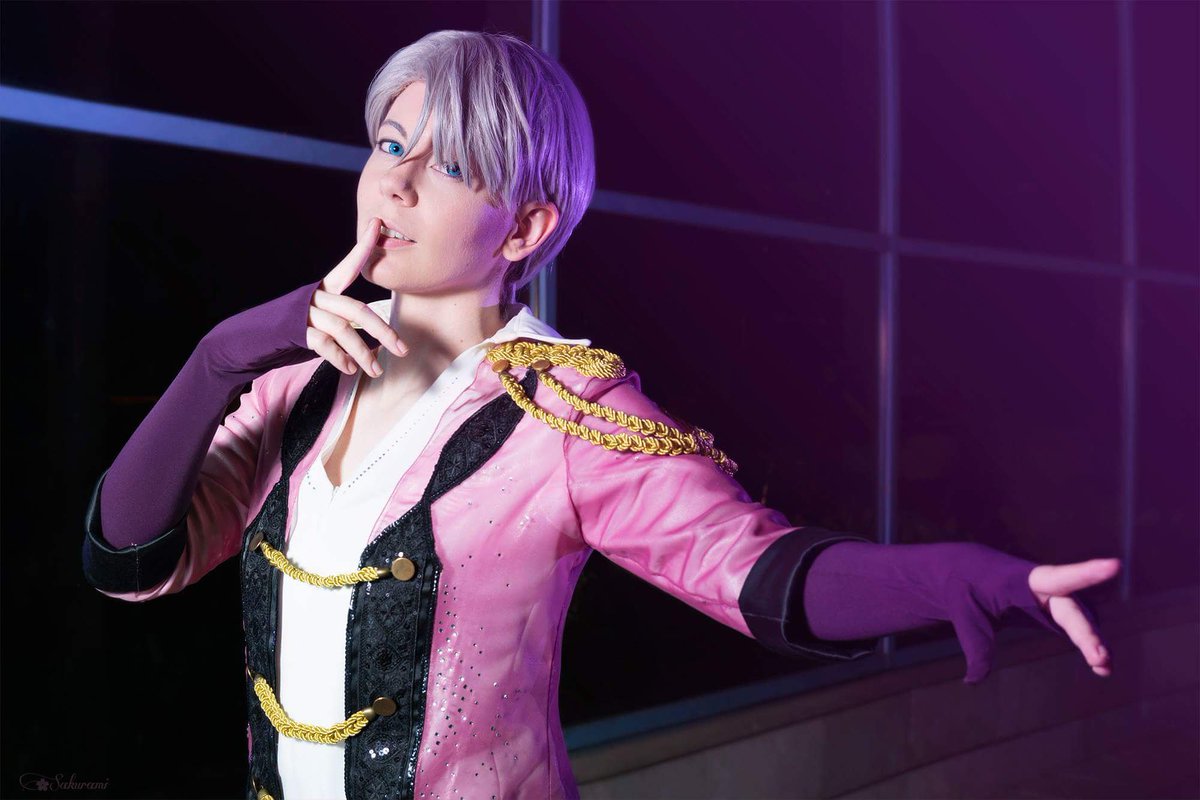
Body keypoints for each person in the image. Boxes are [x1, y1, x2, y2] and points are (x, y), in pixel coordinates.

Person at [80, 30, 1118, 800]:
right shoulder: (297, 375)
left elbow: (749, 571)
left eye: (448, 164)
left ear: (524, 225)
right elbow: (126, 560)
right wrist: (218, 357)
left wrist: (954, 576)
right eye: (390, 142)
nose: (394, 181)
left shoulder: (565, 407)